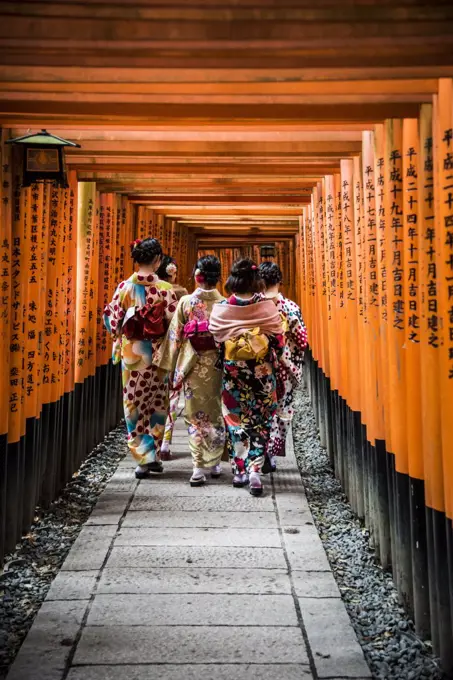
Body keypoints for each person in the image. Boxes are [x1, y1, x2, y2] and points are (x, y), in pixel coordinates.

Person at [103, 238, 178, 479]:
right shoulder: (165, 289)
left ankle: (142, 458)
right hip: (158, 355)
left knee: (133, 405)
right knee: (157, 405)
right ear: (157, 261)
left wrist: (122, 331)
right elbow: (174, 325)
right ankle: (152, 453)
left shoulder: (125, 287)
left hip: (133, 354)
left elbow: (111, 319)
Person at [209, 258, 284, 496]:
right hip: (261, 372)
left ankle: (239, 470)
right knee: (261, 419)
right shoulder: (267, 307)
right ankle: (255, 469)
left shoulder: (223, 306)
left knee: (234, 418)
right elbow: (278, 340)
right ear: (256, 281)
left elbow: (216, 338)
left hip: (234, 371)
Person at [155, 256, 226, 486]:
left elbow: (175, 336)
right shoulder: (224, 304)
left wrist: (167, 366)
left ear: (198, 276)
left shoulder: (187, 302)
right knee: (215, 412)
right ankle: (214, 463)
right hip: (217, 365)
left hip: (192, 365)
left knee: (195, 415)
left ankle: (198, 467)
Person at [259, 261, 308, 469]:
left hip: (258, 366)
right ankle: (272, 452)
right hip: (284, 368)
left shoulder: (252, 306)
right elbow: (302, 339)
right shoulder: (289, 307)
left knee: (259, 408)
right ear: (279, 281)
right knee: (282, 409)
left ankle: (258, 450)